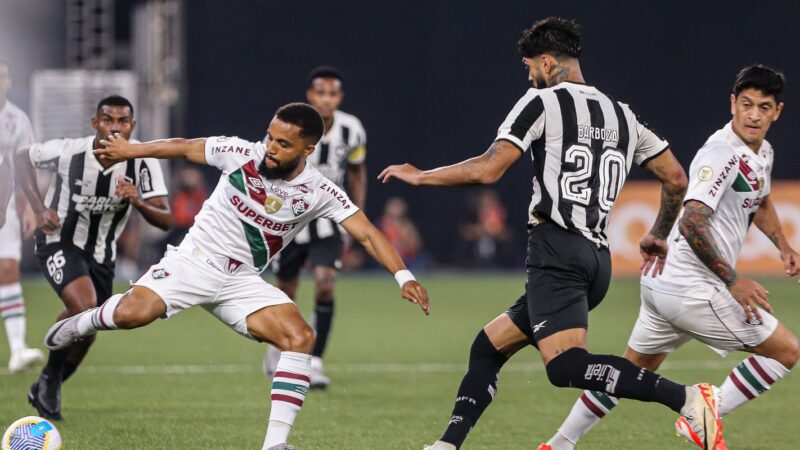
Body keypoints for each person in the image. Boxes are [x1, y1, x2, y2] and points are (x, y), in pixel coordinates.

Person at [379, 17, 724, 450]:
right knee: (488, 347)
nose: (529, 76)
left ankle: (688, 397)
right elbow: (675, 178)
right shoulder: (622, 115)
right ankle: (447, 444)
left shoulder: (541, 102)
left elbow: (490, 167)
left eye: (529, 67)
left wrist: (423, 176)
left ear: (547, 62)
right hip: (596, 259)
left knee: (563, 367)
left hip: (556, 249)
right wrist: (658, 233)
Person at [41, 103, 429, 449]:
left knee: (299, 336)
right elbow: (185, 145)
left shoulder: (320, 191)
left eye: (283, 144)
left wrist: (403, 276)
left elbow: (366, 232)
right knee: (129, 316)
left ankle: (275, 444)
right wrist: (132, 149)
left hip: (240, 281)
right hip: (192, 262)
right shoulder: (241, 152)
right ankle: (83, 322)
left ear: (307, 150)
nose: (271, 148)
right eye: (270, 137)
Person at [539, 65, 799, 450]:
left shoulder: (762, 153)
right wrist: (734, 281)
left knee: (629, 371)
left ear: (777, 111)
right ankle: (704, 412)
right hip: (691, 288)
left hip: (664, 283)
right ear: (732, 104)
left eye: (764, 107)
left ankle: (559, 443)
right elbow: (693, 223)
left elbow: (758, 201)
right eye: (746, 105)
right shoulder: (721, 153)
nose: (754, 115)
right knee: (786, 351)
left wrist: (783, 245)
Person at [15, 95, 172, 420]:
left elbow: (165, 218)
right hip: (57, 241)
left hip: (101, 253)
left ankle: (47, 382)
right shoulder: (70, 151)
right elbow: (20, 157)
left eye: (122, 121)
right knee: (84, 305)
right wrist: (39, 207)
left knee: (89, 330)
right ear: (95, 123)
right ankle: (49, 381)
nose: (114, 127)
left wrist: (138, 202)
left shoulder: (142, 160)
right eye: (107, 120)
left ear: (132, 126)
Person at [265, 66, 368, 388]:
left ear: (340, 97)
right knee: (286, 291)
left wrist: (355, 213)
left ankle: (316, 361)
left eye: (332, 93)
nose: (326, 99)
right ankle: (278, 349)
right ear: (310, 95)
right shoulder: (290, 125)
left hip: (327, 220)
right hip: (290, 220)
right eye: (320, 93)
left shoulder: (352, 130)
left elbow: (356, 171)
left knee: (325, 284)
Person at [0, 58, 45, 373]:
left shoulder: (17, 120)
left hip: (5, 209)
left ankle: (17, 349)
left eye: (3, 75)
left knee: (7, 270)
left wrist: (30, 205)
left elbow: (27, 166)